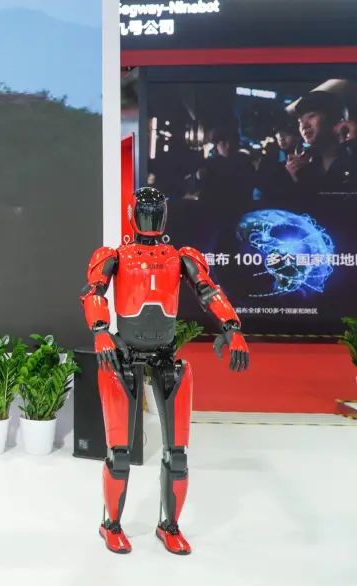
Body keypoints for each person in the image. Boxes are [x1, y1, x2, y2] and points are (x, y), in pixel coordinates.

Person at [79, 187, 250, 555]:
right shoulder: (115, 256)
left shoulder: (180, 257)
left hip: (165, 356)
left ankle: (169, 526)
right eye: (145, 211)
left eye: (155, 211)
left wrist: (232, 327)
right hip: (123, 356)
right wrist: (100, 332)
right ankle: (111, 525)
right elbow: (93, 292)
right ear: (133, 214)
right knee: (119, 452)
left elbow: (208, 290)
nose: (150, 217)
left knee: (178, 454)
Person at [287, 90, 357, 196]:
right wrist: (297, 177)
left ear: (333, 118)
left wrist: (352, 146)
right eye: (300, 121)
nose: (304, 125)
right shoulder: (309, 165)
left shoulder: (351, 154)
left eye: (311, 116)